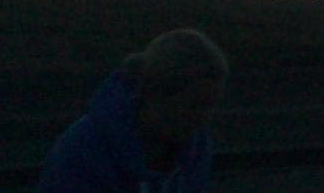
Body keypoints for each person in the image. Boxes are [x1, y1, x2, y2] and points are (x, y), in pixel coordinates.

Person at [38, 28, 227, 192]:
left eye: (210, 106)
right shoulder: (82, 151)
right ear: (155, 93)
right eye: (196, 105)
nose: (204, 118)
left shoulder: (195, 146)